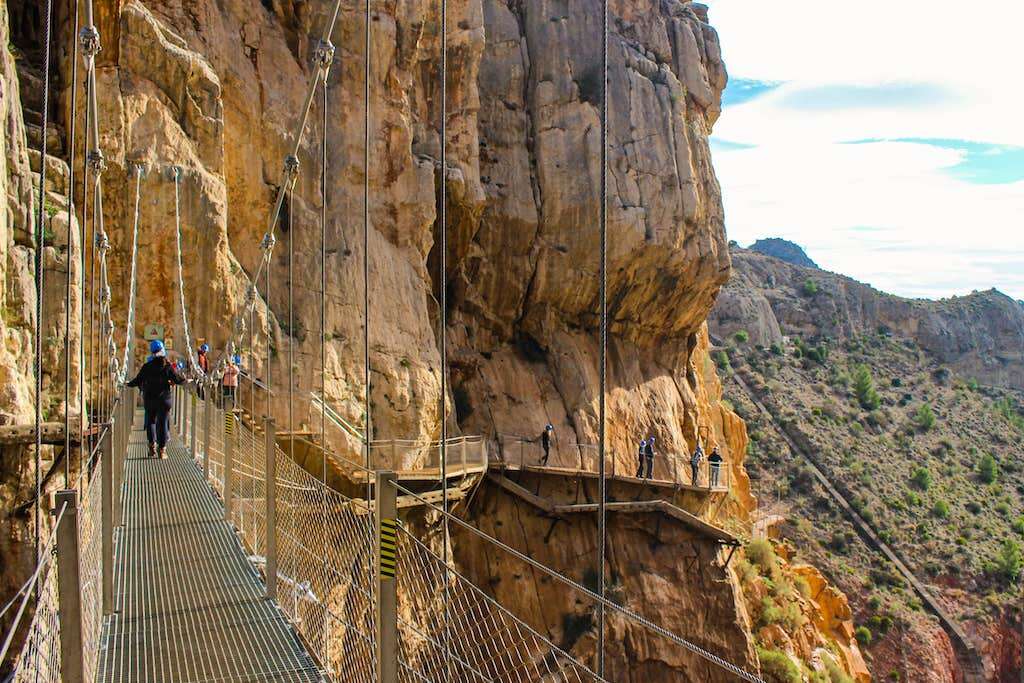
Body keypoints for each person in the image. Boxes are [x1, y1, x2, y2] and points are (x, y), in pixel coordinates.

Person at [126, 340, 185, 458]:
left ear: (151, 352)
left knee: (151, 422)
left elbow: (137, 381)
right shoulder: (167, 366)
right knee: (163, 423)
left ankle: (152, 447)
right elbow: (178, 379)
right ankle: (162, 451)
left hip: (150, 399)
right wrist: (186, 381)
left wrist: (127, 383)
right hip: (164, 399)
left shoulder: (147, 367)